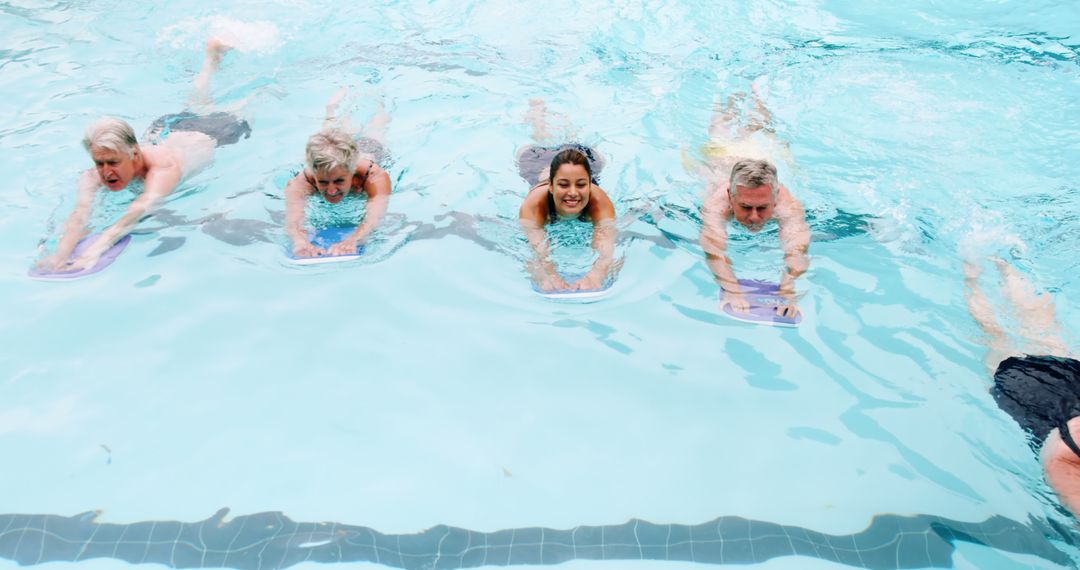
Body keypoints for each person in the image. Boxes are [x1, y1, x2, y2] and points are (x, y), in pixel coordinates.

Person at [38, 39, 250, 272]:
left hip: (214, 132)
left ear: (135, 155)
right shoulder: (93, 176)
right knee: (196, 103)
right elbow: (79, 216)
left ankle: (254, 76)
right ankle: (211, 58)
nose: (105, 171)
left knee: (249, 102)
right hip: (169, 128)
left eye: (113, 163)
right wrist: (60, 255)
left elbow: (142, 207)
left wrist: (95, 250)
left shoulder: (165, 168)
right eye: (99, 163)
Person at [964, 256, 1080, 516]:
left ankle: (988, 265)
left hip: (1067, 397)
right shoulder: (1065, 470)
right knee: (994, 335)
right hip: (1034, 398)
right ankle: (974, 274)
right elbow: (1057, 464)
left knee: (1042, 329)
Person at [696, 87, 809, 318]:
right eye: (746, 207)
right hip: (723, 153)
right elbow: (713, 247)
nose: (755, 217)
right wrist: (732, 289)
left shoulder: (788, 205)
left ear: (775, 197)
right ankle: (721, 90)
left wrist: (787, 290)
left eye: (763, 207)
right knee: (718, 128)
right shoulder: (716, 204)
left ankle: (756, 90)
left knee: (763, 127)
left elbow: (797, 246)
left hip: (762, 152)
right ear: (730, 196)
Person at [517, 99, 616, 292]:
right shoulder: (534, 205)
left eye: (581, 185)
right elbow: (538, 252)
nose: (572, 193)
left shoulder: (599, 201)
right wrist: (549, 276)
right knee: (541, 136)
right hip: (537, 162)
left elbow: (606, 251)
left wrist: (596, 275)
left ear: (589, 184)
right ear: (551, 187)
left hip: (581, 156)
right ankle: (537, 113)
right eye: (563, 185)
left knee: (574, 140)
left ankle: (566, 120)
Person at [284, 88, 391, 257]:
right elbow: (293, 221)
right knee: (327, 141)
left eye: (339, 181)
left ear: (352, 172)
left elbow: (375, 217)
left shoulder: (374, 176)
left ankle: (376, 97)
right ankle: (331, 110)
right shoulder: (300, 183)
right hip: (333, 154)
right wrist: (300, 241)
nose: (332, 191)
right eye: (323, 182)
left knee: (376, 127)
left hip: (370, 148)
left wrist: (355, 239)